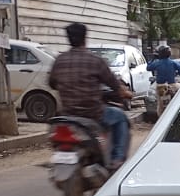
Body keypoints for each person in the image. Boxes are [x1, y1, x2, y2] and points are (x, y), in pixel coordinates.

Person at [48, 23, 133, 169]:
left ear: (68, 39)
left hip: (68, 114)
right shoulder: (95, 61)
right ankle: (117, 159)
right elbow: (114, 84)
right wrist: (125, 93)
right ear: (85, 38)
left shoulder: (59, 61)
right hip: (93, 114)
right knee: (120, 117)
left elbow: (52, 83)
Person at [146, 45, 180, 112]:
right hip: (172, 85)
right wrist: (176, 73)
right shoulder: (173, 63)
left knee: (160, 105)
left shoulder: (157, 63)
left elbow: (148, 68)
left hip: (160, 86)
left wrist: (153, 58)